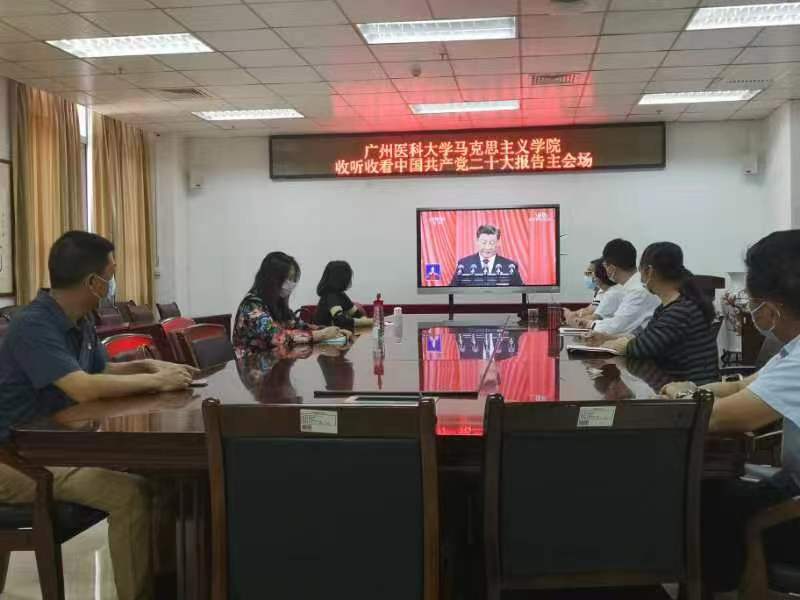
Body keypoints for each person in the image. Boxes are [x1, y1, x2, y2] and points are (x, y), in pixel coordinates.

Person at [0, 231, 198, 600]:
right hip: (16, 460)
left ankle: (178, 587)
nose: (113, 283)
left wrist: (149, 366)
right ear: (93, 282)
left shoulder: (79, 319)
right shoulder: (33, 325)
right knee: (130, 494)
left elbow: (100, 370)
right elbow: (82, 387)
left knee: (165, 479)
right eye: (111, 274)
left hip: (55, 450)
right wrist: (155, 382)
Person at [662, 230, 800, 594]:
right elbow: (741, 388)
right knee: (709, 497)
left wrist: (680, 398)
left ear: (772, 308)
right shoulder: (793, 348)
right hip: (791, 482)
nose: (749, 310)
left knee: (705, 511)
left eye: (750, 302)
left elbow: (719, 417)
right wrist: (690, 390)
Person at [590, 242, 720, 385]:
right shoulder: (670, 306)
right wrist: (607, 337)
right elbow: (644, 337)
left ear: (649, 271)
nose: (640, 278)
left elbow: (641, 347)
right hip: (676, 385)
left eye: (640, 271)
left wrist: (611, 345)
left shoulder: (680, 311)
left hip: (691, 392)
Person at [233, 251, 349, 354]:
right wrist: (320, 335)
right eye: (288, 278)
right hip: (252, 365)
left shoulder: (277, 303)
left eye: (293, 279)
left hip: (276, 362)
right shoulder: (251, 306)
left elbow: (299, 325)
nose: (291, 283)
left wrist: (332, 331)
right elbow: (277, 337)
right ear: (271, 279)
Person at [578, 238, 659, 335]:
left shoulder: (637, 290)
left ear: (611, 268)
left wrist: (590, 324)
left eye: (605, 265)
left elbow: (617, 327)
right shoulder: (630, 286)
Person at [450, 225, 523, 287]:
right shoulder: (464, 264)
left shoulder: (510, 266)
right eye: (484, 242)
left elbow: (520, 292)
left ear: (498, 243)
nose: (487, 247)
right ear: (477, 241)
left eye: (492, 243)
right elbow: (452, 291)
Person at [314, 260, 373, 331]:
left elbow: (357, 315)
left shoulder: (340, 295)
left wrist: (370, 321)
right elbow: (341, 321)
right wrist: (372, 321)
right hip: (325, 335)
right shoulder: (331, 296)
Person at [564, 258, 624, 325]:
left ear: (601, 273)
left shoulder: (613, 294)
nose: (588, 275)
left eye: (590, 272)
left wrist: (572, 319)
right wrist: (573, 315)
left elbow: (594, 317)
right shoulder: (601, 291)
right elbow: (589, 310)